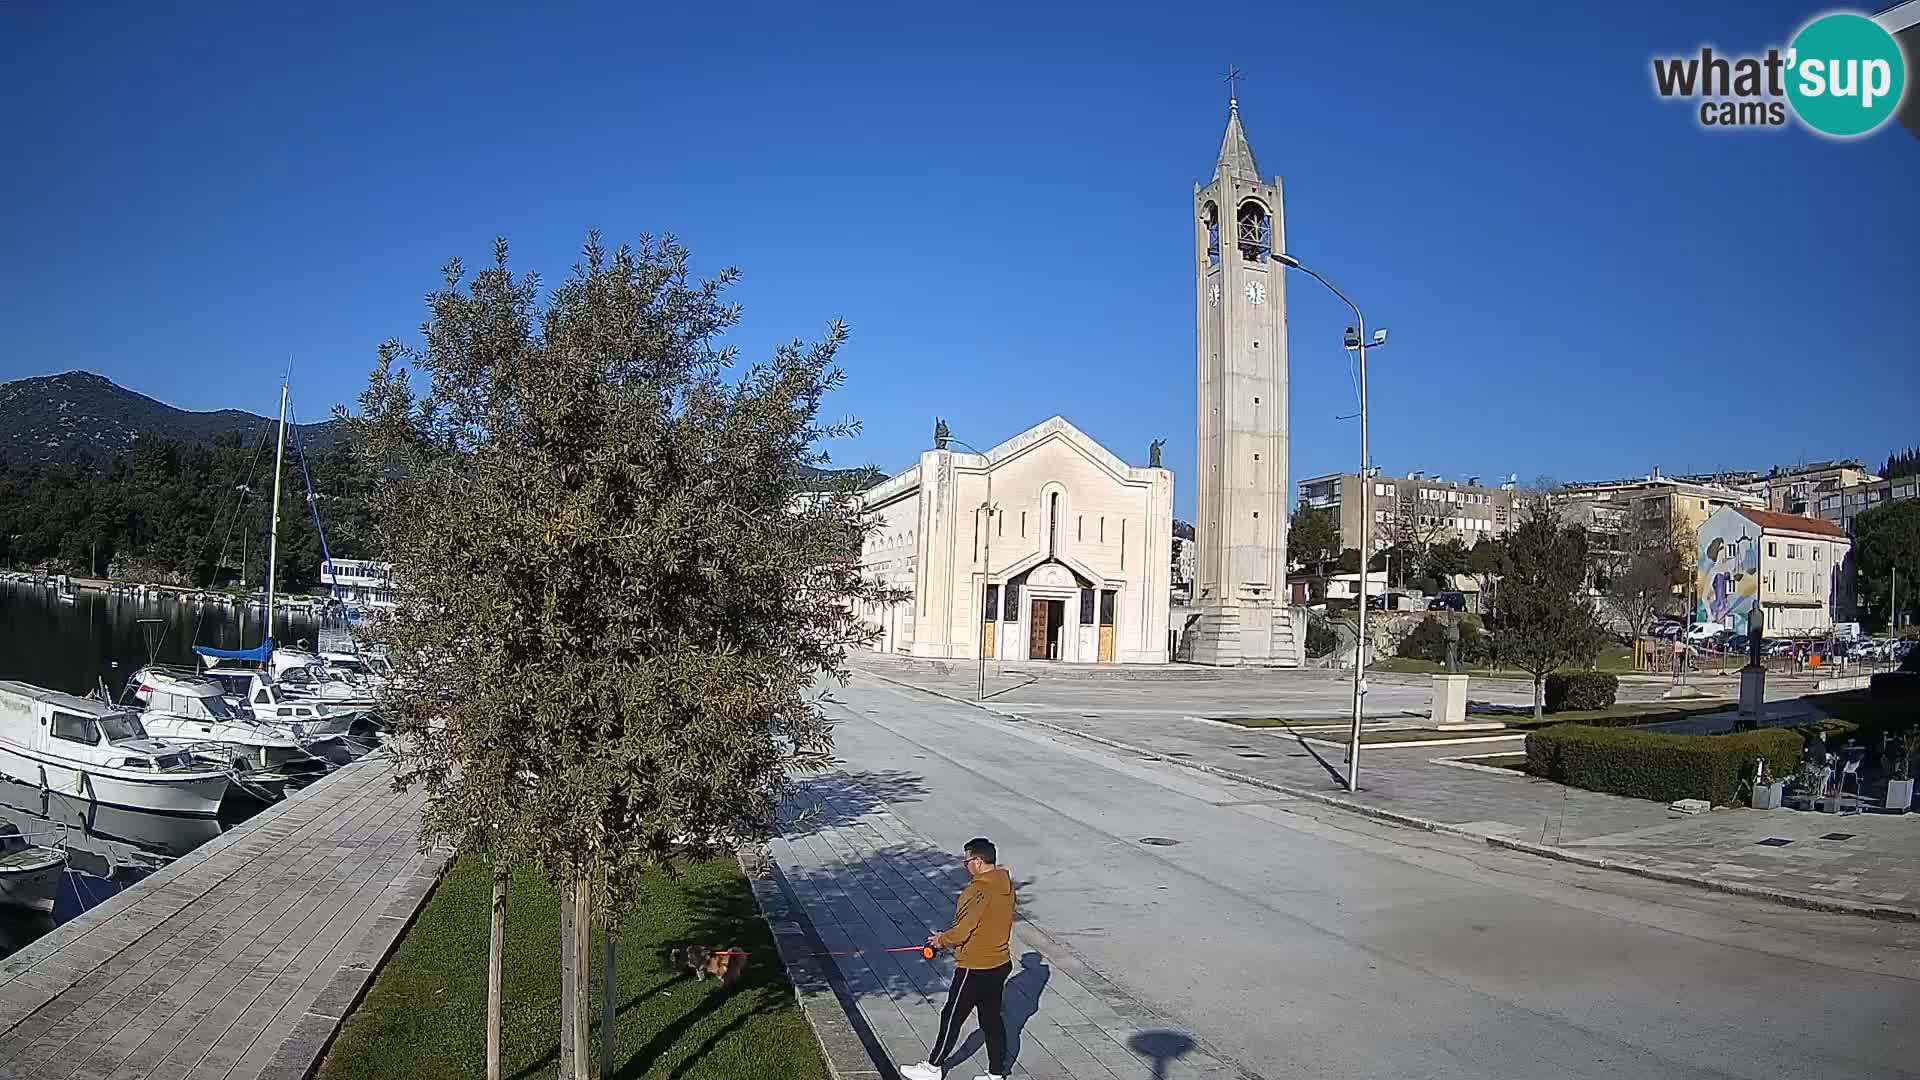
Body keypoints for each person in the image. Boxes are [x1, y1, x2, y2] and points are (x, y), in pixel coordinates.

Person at [900, 838, 1017, 1080]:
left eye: (967, 861)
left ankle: (933, 1068)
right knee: (991, 1020)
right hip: (999, 963)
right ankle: (996, 1073)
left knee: (951, 1017)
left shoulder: (977, 891)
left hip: (975, 967)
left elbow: (963, 931)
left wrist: (941, 940)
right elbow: (985, 923)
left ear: (978, 861)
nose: (966, 866)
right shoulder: (1005, 885)